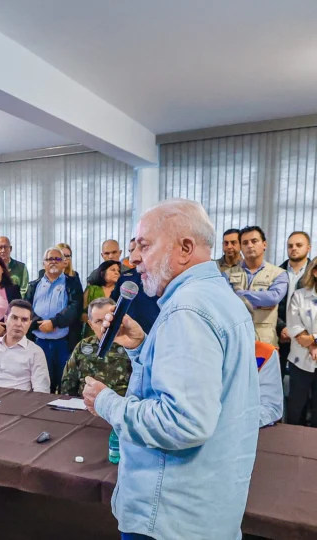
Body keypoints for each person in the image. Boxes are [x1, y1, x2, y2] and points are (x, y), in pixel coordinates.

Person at [82, 199, 259, 540]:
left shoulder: (187, 309)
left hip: (168, 516)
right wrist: (142, 346)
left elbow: (182, 423)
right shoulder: (216, 297)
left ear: (185, 248)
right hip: (205, 509)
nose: (133, 258)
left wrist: (106, 403)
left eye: (144, 246)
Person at [24, 247, 82, 393]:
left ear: (64, 263)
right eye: (50, 259)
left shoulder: (72, 283)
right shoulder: (34, 285)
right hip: (39, 343)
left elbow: (75, 308)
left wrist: (54, 322)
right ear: (44, 263)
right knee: (42, 385)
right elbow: (26, 309)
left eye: (58, 259)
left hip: (64, 343)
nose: (54, 262)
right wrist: (41, 324)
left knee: (65, 385)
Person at [225, 225, 288, 346]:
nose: (249, 245)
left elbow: (272, 298)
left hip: (266, 341)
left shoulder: (279, 274)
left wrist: (237, 294)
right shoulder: (227, 274)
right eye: (245, 243)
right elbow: (225, 301)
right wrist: (260, 301)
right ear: (241, 247)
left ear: (264, 244)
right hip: (236, 340)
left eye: (254, 241)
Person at [0, 300, 50, 391]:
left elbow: (41, 391)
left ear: (30, 324)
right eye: (14, 318)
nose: (19, 324)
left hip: (17, 403)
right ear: (6, 319)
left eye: (24, 320)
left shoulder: (36, 353)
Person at [60, 297, 132, 397]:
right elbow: (68, 384)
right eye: (98, 321)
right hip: (84, 405)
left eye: (108, 319)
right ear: (90, 324)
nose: (105, 325)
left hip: (118, 407)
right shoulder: (83, 346)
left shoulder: (130, 347)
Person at [232, 296, 284, 428]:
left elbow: (271, 407)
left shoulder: (265, 353)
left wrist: (231, 423)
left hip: (242, 431)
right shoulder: (202, 352)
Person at [285, 258, 317, 426]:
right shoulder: (299, 296)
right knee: (296, 408)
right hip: (300, 361)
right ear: (315, 272)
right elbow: (295, 327)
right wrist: (311, 343)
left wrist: (312, 339)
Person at [278, 231, 312, 373]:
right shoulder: (277, 272)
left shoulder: (314, 274)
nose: (294, 248)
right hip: (282, 335)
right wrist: (281, 328)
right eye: (290, 245)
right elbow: (271, 306)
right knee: (276, 379)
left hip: (307, 337)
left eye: (299, 245)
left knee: (304, 386)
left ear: (308, 248)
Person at [83, 260, 122, 338]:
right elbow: (82, 314)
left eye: (118, 271)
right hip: (92, 334)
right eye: (113, 270)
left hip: (116, 334)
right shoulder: (91, 290)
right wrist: (98, 321)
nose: (117, 273)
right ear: (102, 272)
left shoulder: (122, 292)